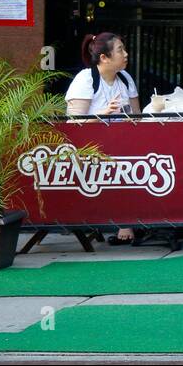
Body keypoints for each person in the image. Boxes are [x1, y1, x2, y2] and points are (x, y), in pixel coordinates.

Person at [65, 32, 140, 244]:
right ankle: (125, 221)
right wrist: (102, 115)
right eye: (120, 50)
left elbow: (137, 118)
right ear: (104, 58)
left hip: (122, 143)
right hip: (91, 147)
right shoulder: (85, 80)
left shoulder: (126, 79)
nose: (125, 54)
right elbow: (72, 126)